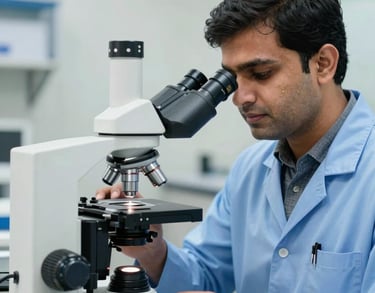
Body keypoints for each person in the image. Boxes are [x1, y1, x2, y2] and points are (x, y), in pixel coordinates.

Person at [96, 0, 375, 292]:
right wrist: (152, 252)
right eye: (232, 79)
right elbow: (207, 275)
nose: (240, 98)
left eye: (261, 73)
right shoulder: (250, 169)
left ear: (323, 64)